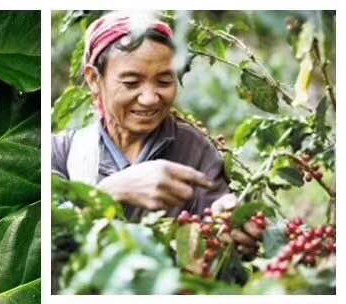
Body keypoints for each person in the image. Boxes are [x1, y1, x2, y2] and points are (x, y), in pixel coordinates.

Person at [52, 11, 261, 254]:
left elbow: (217, 241)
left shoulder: (195, 150)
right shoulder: (60, 152)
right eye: (131, 83)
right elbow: (41, 240)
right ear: (93, 79)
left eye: (164, 82)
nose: (150, 99)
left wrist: (233, 228)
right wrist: (110, 192)